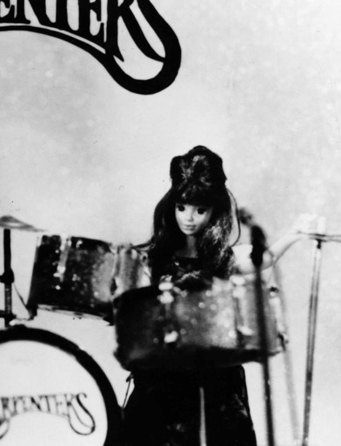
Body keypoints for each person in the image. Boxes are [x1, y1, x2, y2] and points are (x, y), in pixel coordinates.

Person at [117, 145, 313, 446]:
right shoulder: (155, 259)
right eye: (181, 207)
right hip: (163, 373)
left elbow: (265, 258)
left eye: (199, 210)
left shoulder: (224, 258)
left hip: (215, 373)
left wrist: (295, 234)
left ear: (214, 212)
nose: (189, 218)